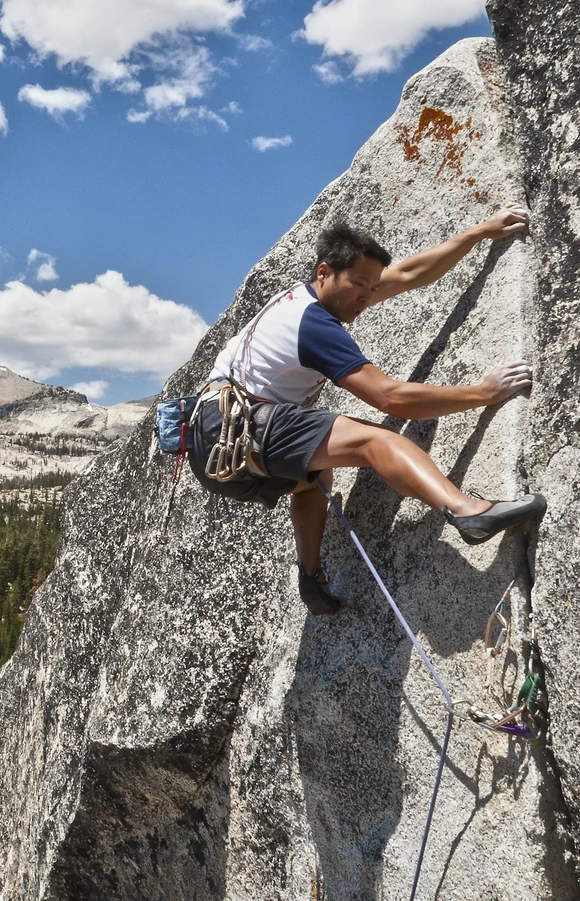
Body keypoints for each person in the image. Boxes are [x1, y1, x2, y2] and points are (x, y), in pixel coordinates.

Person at [195, 208, 546, 615]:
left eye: (371, 287)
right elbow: (391, 398)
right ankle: (468, 512)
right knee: (374, 440)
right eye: (359, 285)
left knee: (313, 475)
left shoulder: (303, 297)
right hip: (237, 427)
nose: (366, 297)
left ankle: (311, 575)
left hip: (215, 453)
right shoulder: (313, 324)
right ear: (324, 272)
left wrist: (477, 233)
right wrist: (483, 393)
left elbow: (409, 274)